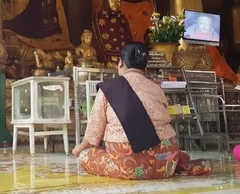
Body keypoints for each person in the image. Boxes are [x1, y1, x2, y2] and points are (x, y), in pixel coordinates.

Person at [72, 42, 212, 179]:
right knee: (173, 152)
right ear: (145, 68)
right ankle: (174, 160)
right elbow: (167, 118)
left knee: (86, 155)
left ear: (120, 62)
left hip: (128, 164)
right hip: (164, 162)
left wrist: (79, 149)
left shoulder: (109, 89)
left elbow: (93, 133)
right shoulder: (156, 89)